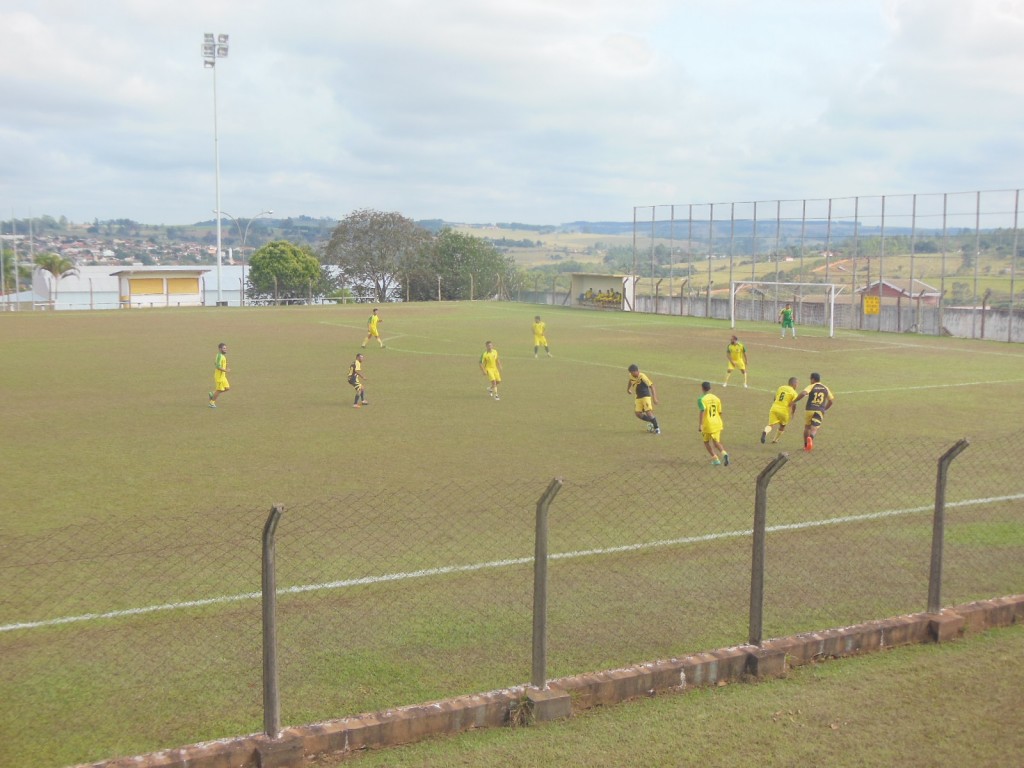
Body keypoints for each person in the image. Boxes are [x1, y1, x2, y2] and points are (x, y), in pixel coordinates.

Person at [793, 372, 835, 452]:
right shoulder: (825, 387)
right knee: (814, 428)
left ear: (813, 379)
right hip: (819, 410)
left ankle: (806, 445)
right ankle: (811, 438)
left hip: (810, 409)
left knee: (807, 427)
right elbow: (831, 401)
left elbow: (803, 393)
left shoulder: (811, 386)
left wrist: (795, 401)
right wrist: (825, 409)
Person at [698, 381, 729, 465]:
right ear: (710, 388)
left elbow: (702, 411)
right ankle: (724, 454)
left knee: (706, 442)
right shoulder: (717, 398)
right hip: (717, 423)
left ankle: (715, 459)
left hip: (707, 425)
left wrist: (700, 425)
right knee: (716, 442)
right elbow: (720, 412)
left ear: (702, 388)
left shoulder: (701, 399)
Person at [761, 377, 799, 444]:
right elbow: (794, 404)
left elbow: (775, 398)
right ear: (795, 384)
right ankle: (775, 440)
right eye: (797, 384)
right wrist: (793, 413)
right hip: (784, 411)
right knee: (782, 425)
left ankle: (765, 432)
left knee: (770, 425)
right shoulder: (794, 392)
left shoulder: (781, 387)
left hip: (774, 408)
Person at [626, 364, 660, 434]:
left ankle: (657, 429)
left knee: (648, 412)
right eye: (632, 373)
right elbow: (630, 380)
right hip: (638, 397)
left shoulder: (642, 377)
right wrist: (628, 389)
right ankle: (653, 422)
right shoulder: (631, 375)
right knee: (638, 413)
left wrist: (654, 398)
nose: (637, 372)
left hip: (645, 396)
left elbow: (652, 386)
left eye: (636, 371)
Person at [208, 342, 229, 408]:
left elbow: (216, 363)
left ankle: (213, 394)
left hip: (223, 376)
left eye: (226, 348)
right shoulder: (219, 356)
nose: (225, 349)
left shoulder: (222, 356)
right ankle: (211, 403)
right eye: (224, 348)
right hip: (219, 377)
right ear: (220, 349)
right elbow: (217, 366)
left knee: (227, 388)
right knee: (220, 390)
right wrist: (226, 370)